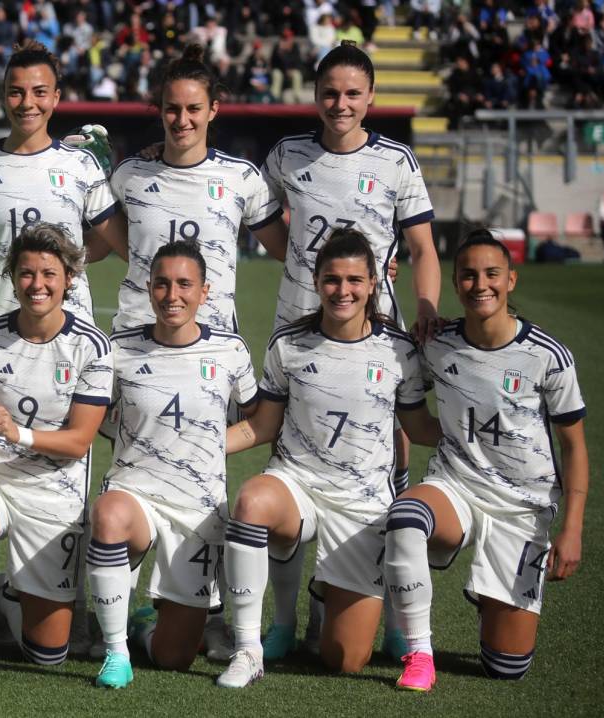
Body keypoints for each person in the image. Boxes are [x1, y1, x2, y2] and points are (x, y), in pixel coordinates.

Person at [260, 41, 441, 658]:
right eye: (330, 93)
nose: (340, 104)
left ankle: (393, 615)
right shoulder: (287, 154)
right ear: (315, 95)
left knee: (386, 453)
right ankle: (283, 620)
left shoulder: (395, 161)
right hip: (299, 325)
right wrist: (298, 265)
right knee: (289, 451)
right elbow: (254, 211)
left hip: (374, 328)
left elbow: (422, 247)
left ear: (370, 98)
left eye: (352, 94)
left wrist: (424, 308)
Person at [214, 229, 441, 688]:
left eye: (354, 280)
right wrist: (198, 442)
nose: (343, 290)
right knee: (252, 501)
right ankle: (249, 649)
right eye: (332, 279)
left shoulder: (398, 350)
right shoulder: (288, 343)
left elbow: (418, 429)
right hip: (296, 482)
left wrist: (485, 443)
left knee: (344, 659)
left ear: (374, 283)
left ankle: (329, 594)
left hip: (362, 503)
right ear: (316, 282)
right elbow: (262, 426)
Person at [384, 231, 589, 691]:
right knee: (405, 517)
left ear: (511, 280)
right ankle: (419, 654)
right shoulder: (437, 344)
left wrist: (572, 529)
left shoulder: (548, 357)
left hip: (521, 507)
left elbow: (574, 447)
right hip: (456, 486)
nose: (481, 285)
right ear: (455, 283)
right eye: (469, 275)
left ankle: (490, 596)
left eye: (492, 274)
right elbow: (413, 416)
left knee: (505, 668)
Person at [0, 224, 112, 687]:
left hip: (54, 491)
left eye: (49, 274)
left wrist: (21, 434)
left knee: (48, 655)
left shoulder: (91, 346)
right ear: (12, 277)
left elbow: (79, 441)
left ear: (69, 278)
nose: (37, 284)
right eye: (27, 273)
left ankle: (4, 595)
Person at [87, 241, 259, 689]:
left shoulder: (230, 351)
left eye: (185, 284)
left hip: (196, 512)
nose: (172, 295)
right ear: (148, 288)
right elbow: (95, 418)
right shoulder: (118, 348)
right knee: (109, 513)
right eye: (162, 284)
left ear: (205, 292)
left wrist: (209, 444)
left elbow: (260, 420)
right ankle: (116, 651)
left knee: (174, 657)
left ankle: (144, 625)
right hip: (134, 495)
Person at [0, 40, 121, 339]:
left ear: (56, 97)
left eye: (39, 92)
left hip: (71, 334)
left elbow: (118, 241)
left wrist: (66, 259)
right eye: (16, 92)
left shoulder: (82, 163)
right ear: (4, 96)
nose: (27, 103)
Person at [106, 43, 286, 334]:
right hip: (136, 339)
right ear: (160, 110)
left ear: (213, 109)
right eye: (172, 109)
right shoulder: (130, 174)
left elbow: (289, 251)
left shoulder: (241, 177)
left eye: (194, 109)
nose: (182, 120)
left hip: (214, 343)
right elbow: (100, 246)